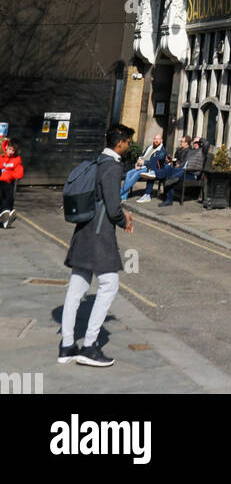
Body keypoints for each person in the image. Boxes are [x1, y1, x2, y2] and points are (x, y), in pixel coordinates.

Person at [59, 123, 134, 367]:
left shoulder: (96, 160)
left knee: (77, 286)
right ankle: (90, 346)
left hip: (84, 230)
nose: (129, 146)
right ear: (119, 142)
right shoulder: (112, 167)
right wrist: (124, 221)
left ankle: (67, 345)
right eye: (128, 142)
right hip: (100, 233)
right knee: (109, 284)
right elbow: (113, 207)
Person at [120, 130, 165, 202]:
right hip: (141, 166)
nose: (156, 140)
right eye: (155, 139)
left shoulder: (162, 151)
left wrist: (144, 163)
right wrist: (138, 163)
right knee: (129, 173)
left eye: (158, 139)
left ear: (161, 140)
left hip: (149, 168)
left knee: (136, 174)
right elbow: (142, 156)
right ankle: (124, 196)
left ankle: (120, 193)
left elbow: (155, 163)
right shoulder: (149, 147)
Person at [159, 136, 205, 206]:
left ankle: (170, 181)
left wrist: (200, 139)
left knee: (173, 176)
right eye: (194, 142)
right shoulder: (191, 151)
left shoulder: (202, 151)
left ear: (200, 143)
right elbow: (184, 163)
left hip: (191, 174)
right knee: (168, 168)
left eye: (197, 142)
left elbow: (207, 144)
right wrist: (177, 165)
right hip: (182, 170)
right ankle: (169, 199)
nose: (195, 143)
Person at [0, 139, 24, 228]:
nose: (11, 152)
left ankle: (5, 215)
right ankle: (4, 213)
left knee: (8, 191)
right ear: (6, 148)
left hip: (8, 182)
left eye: (14, 150)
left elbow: (19, 173)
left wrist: (6, 174)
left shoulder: (16, 159)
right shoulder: (1, 157)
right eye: (10, 149)